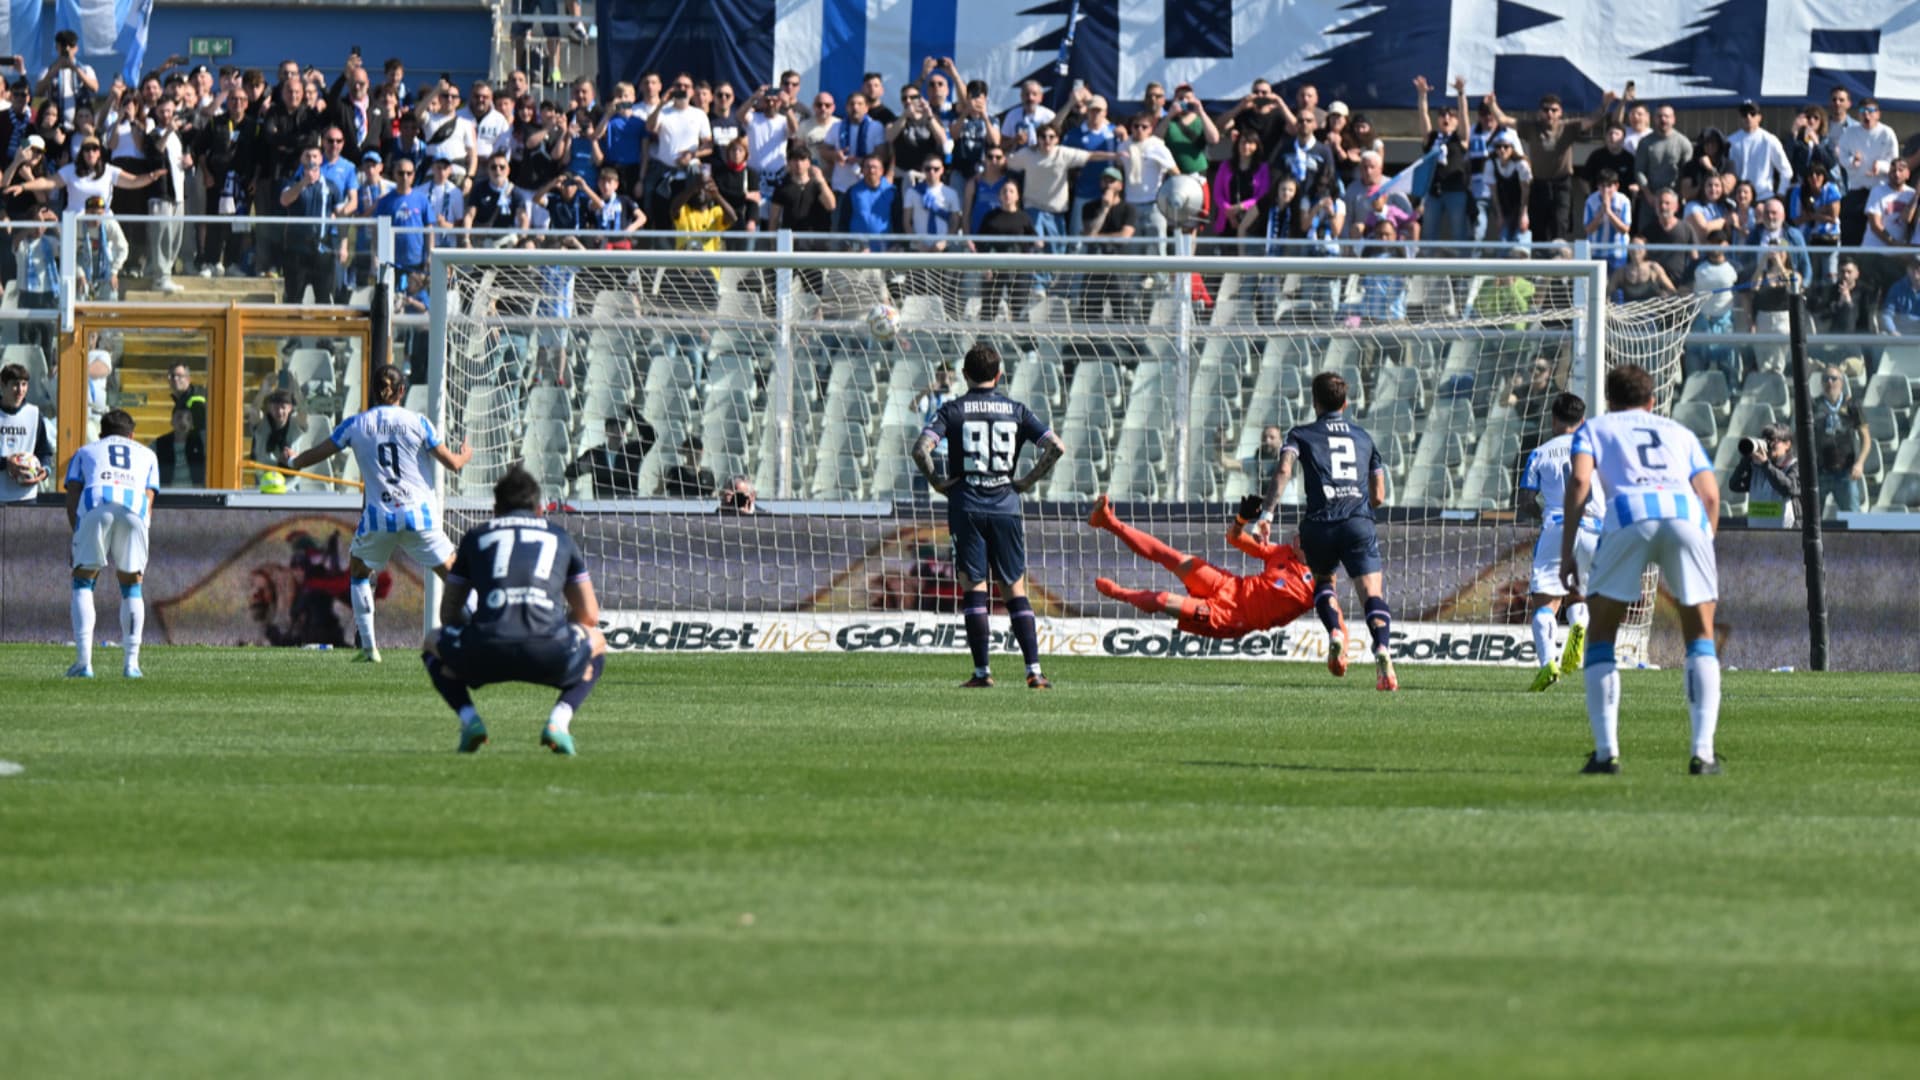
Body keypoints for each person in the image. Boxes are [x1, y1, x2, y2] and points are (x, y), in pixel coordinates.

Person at [1561, 364, 1722, 775]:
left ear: (1609, 401)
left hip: (1629, 515)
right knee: (1699, 636)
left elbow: (1580, 483)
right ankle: (1702, 754)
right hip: (1685, 515)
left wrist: (1568, 550)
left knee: (1600, 635)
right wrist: (1704, 543)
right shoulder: (1680, 433)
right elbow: (1710, 496)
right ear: (1653, 401)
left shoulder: (1594, 428)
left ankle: (1605, 753)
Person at [286, 364, 472, 662]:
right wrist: (466, 454)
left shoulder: (355, 424)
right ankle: (491, 632)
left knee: (359, 571)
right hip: (418, 516)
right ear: (402, 391)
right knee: (456, 575)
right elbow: (454, 464)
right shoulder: (419, 423)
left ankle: (369, 647)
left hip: (380, 518)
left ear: (372, 391)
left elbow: (318, 453)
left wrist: (294, 463)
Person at [911, 342, 1067, 689]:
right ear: (999, 375)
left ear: (965, 375)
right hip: (1006, 505)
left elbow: (920, 448)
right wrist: (1026, 480)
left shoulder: (952, 410)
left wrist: (937, 481)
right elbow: (1056, 446)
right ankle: (1034, 671)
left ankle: (983, 673)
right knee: (1015, 589)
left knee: (974, 590)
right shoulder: (1016, 410)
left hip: (966, 504)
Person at [423, 465, 609, 756]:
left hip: (485, 651)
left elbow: (448, 614)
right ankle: (559, 721)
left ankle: (470, 721)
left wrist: (476, 631)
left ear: (495, 509)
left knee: (432, 641)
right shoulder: (560, 536)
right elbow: (590, 615)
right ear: (538, 509)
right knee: (597, 640)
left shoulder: (476, 536)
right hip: (550, 652)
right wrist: (556, 628)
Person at [1254, 371, 1398, 691]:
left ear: (1314, 401)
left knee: (1323, 582)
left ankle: (1334, 631)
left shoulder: (1300, 435)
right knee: (1371, 595)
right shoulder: (1364, 438)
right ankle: (1383, 651)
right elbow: (1378, 496)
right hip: (1357, 521)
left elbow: (1284, 470)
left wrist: (1266, 513)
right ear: (1346, 403)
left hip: (1319, 525)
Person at [1089, 492, 1322, 639]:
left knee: (1162, 600)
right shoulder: (1282, 553)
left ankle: (1122, 594)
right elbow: (1234, 538)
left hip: (1232, 616)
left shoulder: (1317, 584)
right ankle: (1109, 522)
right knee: (1171, 556)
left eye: (1302, 536)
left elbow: (1333, 611)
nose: (1296, 538)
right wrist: (1242, 520)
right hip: (1230, 585)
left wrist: (1338, 640)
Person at [1517, 393, 1604, 691]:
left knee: (1545, 601)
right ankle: (1579, 624)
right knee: (1579, 595)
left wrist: (1542, 513)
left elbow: (1526, 500)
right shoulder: (1596, 451)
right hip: (1595, 528)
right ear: (1582, 421)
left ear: (1554, 420)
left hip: (1557, 526)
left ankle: (1547, 665)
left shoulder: (1540, 453)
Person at [64, 409, 160, 678]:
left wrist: (77, 534)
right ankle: (132, 664)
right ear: (132, 435)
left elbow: (73, 495)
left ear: (101, 434)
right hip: (134, 510)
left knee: (83, 581)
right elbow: (149, 497)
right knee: (132, 585)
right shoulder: (148, 454)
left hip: (96, 506)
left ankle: (84, 663)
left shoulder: (85, 451)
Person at [1810, 364, 1869, 515]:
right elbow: (1801, 437)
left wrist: (1860, 463)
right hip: (1820, 471)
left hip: (1845, 473)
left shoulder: (1852, 405)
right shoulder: (1813, 405)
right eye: (1825, 379)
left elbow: (1866, 438)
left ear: (1841, 382)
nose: (1829, 382)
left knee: (1853, 518)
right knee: (1811, 518)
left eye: (1833, 378)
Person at [1, 361, 54, 503]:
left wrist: (45, 471)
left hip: (26, 497)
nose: (20, 390)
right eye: (14, 384)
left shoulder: (35, 414)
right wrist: (6, 463)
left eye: (24, 384)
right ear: (2, 385)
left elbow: (44, 452)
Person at [1729, 422, 1800, 528]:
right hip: (1756, 534)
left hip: (1786, 535)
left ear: (1787, 444)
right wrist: (1746, 459)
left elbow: (1787, 489)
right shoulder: (1757, 468)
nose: (1769, 445)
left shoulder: (1794, 465)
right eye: (1766, 441)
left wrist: (1766, 464)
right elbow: (1734, 485)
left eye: (1773, 441)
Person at [564, 416, 652, 497]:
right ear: (606, 431)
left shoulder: (633, 451)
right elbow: (568, 474)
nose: (617, 431)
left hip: (628, 507)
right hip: (602, 508)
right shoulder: (595, 453)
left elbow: (651, 436)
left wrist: (633, 413)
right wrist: (580, 469)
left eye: (621, 427)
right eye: (613, 428)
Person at [150, 404, 205, 487]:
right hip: (167, 494)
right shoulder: (159, 443)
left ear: (192, 423)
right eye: (179, 417)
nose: (183, 422)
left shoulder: (201, 440)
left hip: (195, 493)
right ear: (172, 421)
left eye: (188, 418)